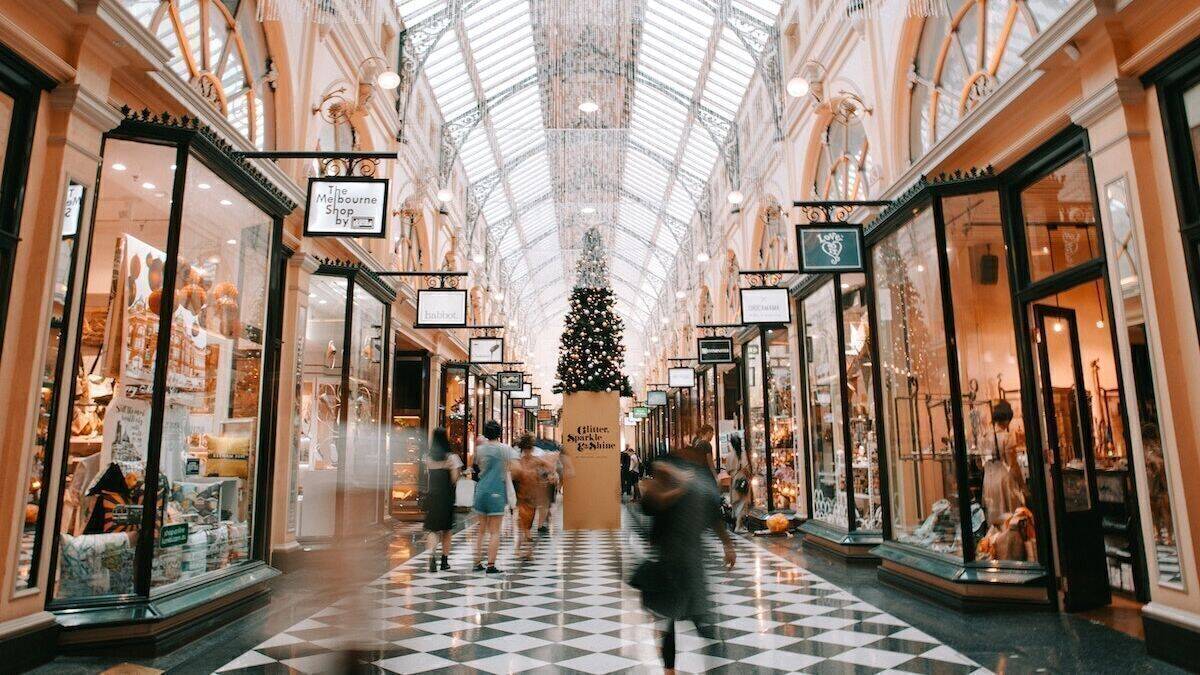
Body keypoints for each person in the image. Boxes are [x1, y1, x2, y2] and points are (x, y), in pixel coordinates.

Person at [640, 438, 736, 675]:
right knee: (671, 621)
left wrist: (727, 544)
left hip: (689, 559)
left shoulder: (698, 478)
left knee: (697, 618)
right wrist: (678, 487)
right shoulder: (670, 472)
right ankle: (670, 670)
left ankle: (712, 664)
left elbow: (712, 513)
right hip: (670, 559)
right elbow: (650, 505)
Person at [472, 420, 515, 573]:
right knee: (495, 531)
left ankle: (476, 563)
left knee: (481, 530)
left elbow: (476, 466)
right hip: (496, 491)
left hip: (481, 491)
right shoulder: (505, 449)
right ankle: (490, 565)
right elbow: (514, 467)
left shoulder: (480, 450)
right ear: (499, 433)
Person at [423, 427, 461, 573]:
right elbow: (454, 479)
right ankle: (444, 561)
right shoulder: (452, 458)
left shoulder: (428, 457)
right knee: (446, 530)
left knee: (433, 529)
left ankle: (432, 556)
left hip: (433, 496)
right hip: (446, 497)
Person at [511, 434, 554, 559]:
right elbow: (550, 466)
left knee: (526, 524)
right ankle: (525, 550)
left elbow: (549, 467)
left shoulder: (520, 461)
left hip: (527, 497)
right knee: (525, 525)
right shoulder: (531, 461)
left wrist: (546, 476)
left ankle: (522, 549)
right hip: (527, 496)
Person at [726, 433, 753, 533]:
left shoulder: (729, 456)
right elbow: (746, 468)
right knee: (742, 503)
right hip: (742, 480)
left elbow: (728, 471)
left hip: (734, 481)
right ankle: (738, 526)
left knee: (736, 502)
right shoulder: (743, 454)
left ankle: (738, 525)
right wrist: (749, 476)